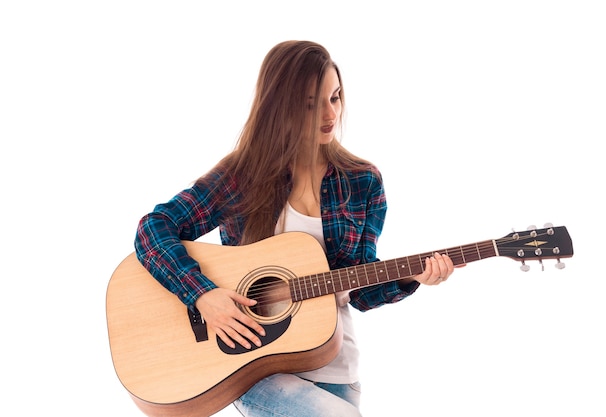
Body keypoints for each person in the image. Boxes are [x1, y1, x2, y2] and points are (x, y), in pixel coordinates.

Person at [134, 40, 457, 417]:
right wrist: (203, 295)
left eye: (335, 98)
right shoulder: (242, 176)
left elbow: (358, 291)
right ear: (278, 105)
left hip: (335, 361)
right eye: (310, 103)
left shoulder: (362, 181)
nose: (329, 113)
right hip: (254, 364)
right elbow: (154, 229)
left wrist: (411, 276)